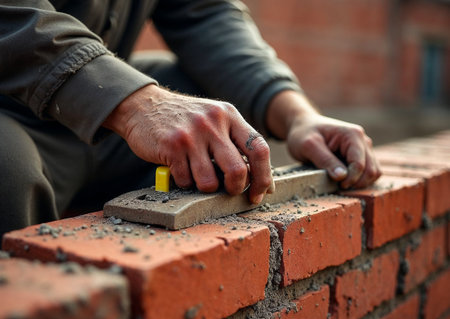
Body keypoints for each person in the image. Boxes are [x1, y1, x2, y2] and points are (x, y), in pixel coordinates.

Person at [0, 0, 381, 235]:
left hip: (98, 123)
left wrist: (299, 117)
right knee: (6, 167)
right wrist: (135, 105)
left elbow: (207, 14)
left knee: (204, 101)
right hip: (12, 113)